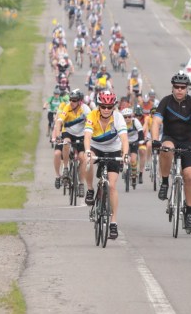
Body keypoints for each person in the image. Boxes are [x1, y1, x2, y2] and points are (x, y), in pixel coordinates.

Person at [151, 73, 191, 233]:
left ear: (187, 88)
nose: (179, 90)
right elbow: (156, 121)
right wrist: (155, 139)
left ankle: (189, 210)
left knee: (189, 175)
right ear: (172, 87)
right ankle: (164, 182)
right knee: (166, 148)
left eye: (182, 87)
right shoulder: (166, 101)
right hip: (170, 138)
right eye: (177, 87)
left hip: (188, 142)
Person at [83, 90, 129, 240]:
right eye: (103, 106)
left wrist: (125, 154)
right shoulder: (92, 115)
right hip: (97, 147)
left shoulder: (118, 117)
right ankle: (90, 189)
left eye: (110, 107)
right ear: (99, 106)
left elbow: (124, 138)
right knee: (86, 158)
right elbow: (88, 136)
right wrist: (88, 151)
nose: (107, 110)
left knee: (112, 186)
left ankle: (113, 222)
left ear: (114, 107)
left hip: (113, 150)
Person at [51, 88, 90, 195]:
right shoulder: (67, 108)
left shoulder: (85, 109)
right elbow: (59, 122)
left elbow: (91, 123)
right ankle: (66, 168)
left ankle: (81, 184)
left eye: (74, 100)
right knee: (66, 143)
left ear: (80, 101)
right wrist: (58, 135)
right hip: (68, 133)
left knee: (82, 158)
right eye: (71, 100)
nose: (71, 102)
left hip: (81, 135)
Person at [121, 106, 145, 187]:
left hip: (134, 141)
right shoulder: (120, 123)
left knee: (133, 160)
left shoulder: (135, 121)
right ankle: (122, 164)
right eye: (125, 117)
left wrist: (141, 140)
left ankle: (134, 176)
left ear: (132, 116)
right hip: (124, 141)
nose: (127, 118)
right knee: (122, 153)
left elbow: (140, 131)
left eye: (129, 116)